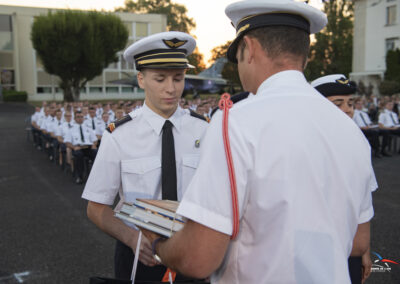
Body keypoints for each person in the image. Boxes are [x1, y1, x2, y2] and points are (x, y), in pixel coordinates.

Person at [142, 1, 377, 284]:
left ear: (250, 48)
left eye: (237, 57)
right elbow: (358, 241)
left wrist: (158, 245)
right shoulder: (351, 131)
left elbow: (198, 258)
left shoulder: (235, 122)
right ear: (304, 55)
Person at [81, 31, 209, 281]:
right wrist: (132, 238)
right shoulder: (119, 136)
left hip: (194, 254)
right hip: (139, 256)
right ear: (141, 79)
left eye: (178, 78)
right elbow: (96, 207)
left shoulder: (205, 129)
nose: (170, 89)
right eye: (160, 79)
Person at [311, 74, 374, 283]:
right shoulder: (305, 143)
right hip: (311, 247)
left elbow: (362, 202)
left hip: (350, 247)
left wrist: (365, 249)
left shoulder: (359, 141)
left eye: (350, 103)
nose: (347, 109)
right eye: (338, 104)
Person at [64, 111, 97, 184]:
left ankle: (96, 176)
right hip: (77, 148)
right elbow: (67, 142)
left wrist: (94, 145)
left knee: (96, 153)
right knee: (79, 155)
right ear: (75, 118)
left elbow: (94, 140)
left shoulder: (88, 128)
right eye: (78, 117)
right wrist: (73, 147)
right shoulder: (71, 129)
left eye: (81, 117)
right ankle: (79, 176)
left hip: (88, 147)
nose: (80, 118)